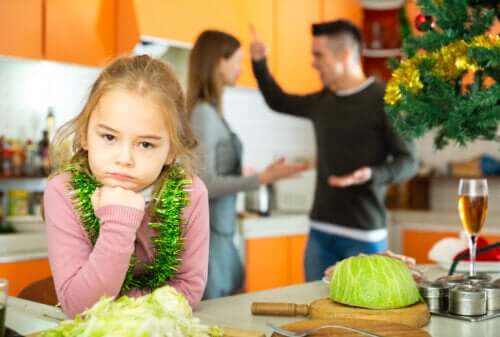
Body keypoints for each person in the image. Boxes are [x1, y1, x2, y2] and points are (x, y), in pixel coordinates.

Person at [250, 20, 417, 281]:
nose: (313, 63)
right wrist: (260, 64)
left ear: (345, 54)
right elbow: (279, 101)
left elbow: (408, 162)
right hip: (320, 233)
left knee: (365, 316)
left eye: (318, 55)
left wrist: (372, 174)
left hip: (364, 236)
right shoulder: (322, 102)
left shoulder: (386, 100)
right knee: (317, 311)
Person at [43, 55, 209, 317]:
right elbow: (79, 307)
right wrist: (120, 224)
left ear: (171, 152)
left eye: (145, 144)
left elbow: (188, 289)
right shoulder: (64, 191)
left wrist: (118, 302)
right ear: (85, 134)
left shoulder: (190, 192)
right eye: (109, 137)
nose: (124, 159)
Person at [187, 30, 309, 299]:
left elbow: (211, 172)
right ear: (219, 61)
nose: (241, 69)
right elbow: (204, 183)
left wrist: (245, 173)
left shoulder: (212, 111)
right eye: (237, 61)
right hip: (211, 239)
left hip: (222, 232)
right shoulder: (204, 114)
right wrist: (262, 178)